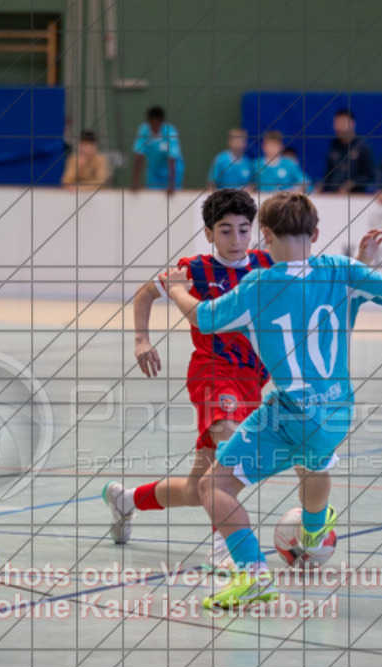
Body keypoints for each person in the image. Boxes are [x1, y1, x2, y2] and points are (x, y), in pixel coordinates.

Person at [161, 191, 382, 609]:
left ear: (263, 235)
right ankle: (313, 530)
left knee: (213, 486)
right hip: (339, 408)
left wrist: (177, 289)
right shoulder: (340, 270)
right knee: (315, 458)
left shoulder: (258, 284)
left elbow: (203, 317)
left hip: (291, 411)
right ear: (317, 233)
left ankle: (251, 575)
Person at [103, 188, 270, 571]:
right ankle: (223, 544)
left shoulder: (265, 263)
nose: (236, 240)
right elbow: (145, 294)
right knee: (231, 443)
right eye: (225, 231)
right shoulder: (192, 269)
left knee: (200, 488)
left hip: (254, 381)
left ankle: (126, 499)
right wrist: (142, 340)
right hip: (213, 373)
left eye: (244, 230)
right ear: (209, 233)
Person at [131, 106, 185, 194]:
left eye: (157, 123)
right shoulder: (144, 131)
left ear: (161, 122)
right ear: (148, 122)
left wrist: (172, 184)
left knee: (171, 199)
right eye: (152, 123)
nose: (154, 126)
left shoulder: (170, 132)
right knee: (153, 199)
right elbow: (139, 157)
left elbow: (172, 159)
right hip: (154, 173)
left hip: (172, 172)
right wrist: (135, 181)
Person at [321, 109, 375, 194]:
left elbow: (369, 175)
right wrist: (322, 185)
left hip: (355, 198)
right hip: (334, 196)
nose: (339, 128)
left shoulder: (363, 148)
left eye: (342, 124)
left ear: (352, 124)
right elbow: (329, 174)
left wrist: (353, 184)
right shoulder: (333, 147)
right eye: (336, 124)